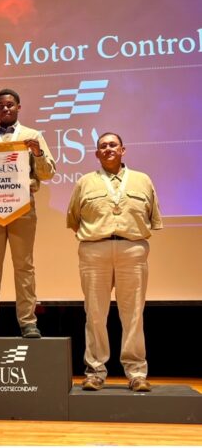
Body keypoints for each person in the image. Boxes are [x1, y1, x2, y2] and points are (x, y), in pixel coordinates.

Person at [66, 132, 163, 392]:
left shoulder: (143, 180)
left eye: (113, 145)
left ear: (123, 149)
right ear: (97, 154)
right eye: (102, 146)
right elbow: (73, 219)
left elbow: (153, 216)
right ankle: (95, 372)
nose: (108, 149)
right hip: (94, 250)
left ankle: (136, 372)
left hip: (132, 249)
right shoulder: (85, 182)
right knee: (95, 314)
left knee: (133, 315)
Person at [0, 88, 56, 338]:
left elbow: (48, 174)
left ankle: (28, 322)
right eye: (1, 105)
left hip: (22, 208)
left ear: (18, 107)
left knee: (24, 266)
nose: (6, 109)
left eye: (10, 105)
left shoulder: (32, 136)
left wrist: (37, 152)